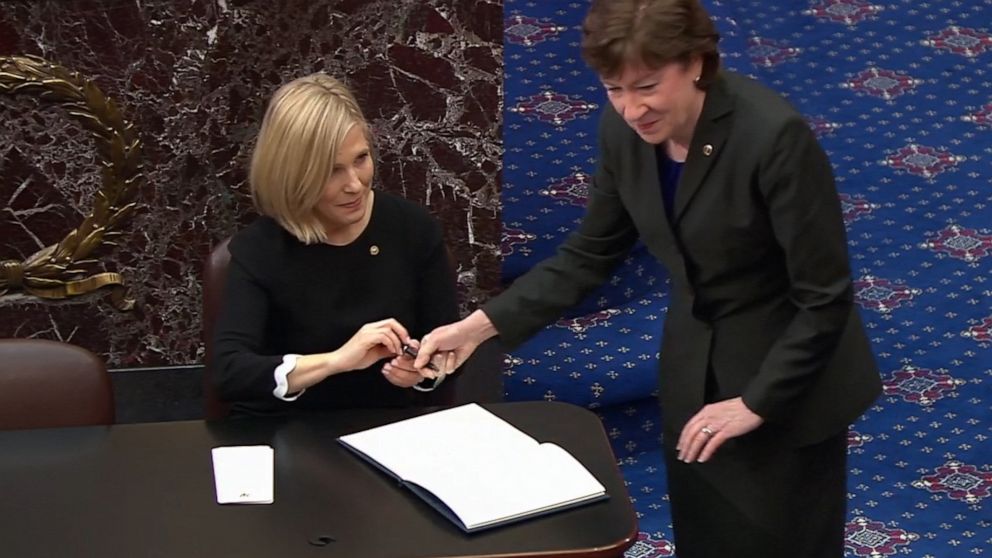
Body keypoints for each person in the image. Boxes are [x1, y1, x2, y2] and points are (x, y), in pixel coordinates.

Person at [414, 1, 882, 556]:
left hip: (788, 383)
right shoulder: (623, 133)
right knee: (708, 536)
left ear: (696, 64)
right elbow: (591, 252)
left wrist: (754, 402)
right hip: (694, 369)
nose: (633, 109)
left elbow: (824, 298)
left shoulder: (773, 138)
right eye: (615, 89)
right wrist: (477, 328)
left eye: (648, 86)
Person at [211, 73, 458, 417]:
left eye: (361, 159)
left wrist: (421, 373)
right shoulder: (261, 248)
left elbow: (448, 351)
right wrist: (337, 361)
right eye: (332, 171)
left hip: (388, 430)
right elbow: (230, 373)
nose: (355, 185)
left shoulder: (413, 229)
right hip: (284, 433)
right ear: (293, 174)